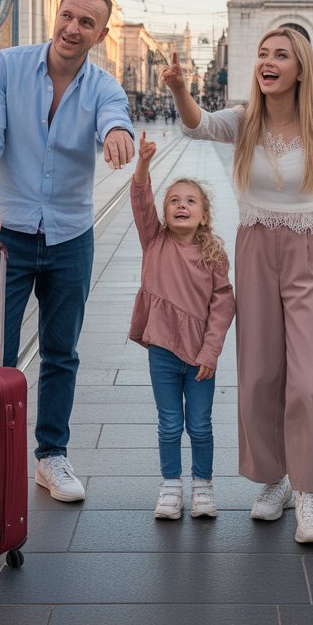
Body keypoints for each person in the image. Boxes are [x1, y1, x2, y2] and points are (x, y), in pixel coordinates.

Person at [162, 29, 313, 544]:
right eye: (262, 53)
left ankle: (307, 493)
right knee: (261, 373)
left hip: (310, 251)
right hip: (256, 248)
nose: (267, 62)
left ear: (300, 68)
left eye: (280, 55)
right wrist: (178, 88)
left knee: (309, 377)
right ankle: (274, 481)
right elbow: (198, 126)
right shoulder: (245, 120)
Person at [0, 0, 135, 502]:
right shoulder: (5, 66)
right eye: (67, 16)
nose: (72, 28)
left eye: (86, 23)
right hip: (5, 232)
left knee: (61, 353)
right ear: (55, 15)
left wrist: (115, 134)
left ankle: (51, 457)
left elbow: (115, 116)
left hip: (69, 236)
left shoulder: (103, 85)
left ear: (101, 34)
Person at [129, 131, 235, 521]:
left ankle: (203, 485)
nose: (180, 206)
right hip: (163, 349)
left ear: (204, 214)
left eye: (190, 201)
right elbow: (140, 201)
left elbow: (224, 305)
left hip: (200, 356)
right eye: (174, 201)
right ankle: (171, 486)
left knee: (201, 424)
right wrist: (143, 164)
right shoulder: (154, 240)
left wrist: (211, 351)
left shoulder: (213, 253)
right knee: (170, 422)